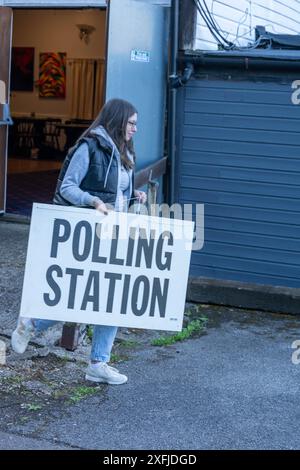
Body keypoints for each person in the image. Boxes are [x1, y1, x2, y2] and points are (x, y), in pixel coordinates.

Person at [11, 98, 147, 385]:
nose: (135, 128)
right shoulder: (90, 147)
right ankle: (32, 324)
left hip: (114, 233)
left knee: (113, 300)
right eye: (132, 122)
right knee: (80, 297)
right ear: (118, 120)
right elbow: (68, 187)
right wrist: (94, 201)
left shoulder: (126, 151)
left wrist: (136, 195)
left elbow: (118, 190)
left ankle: (98, 363)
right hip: (88, 233)